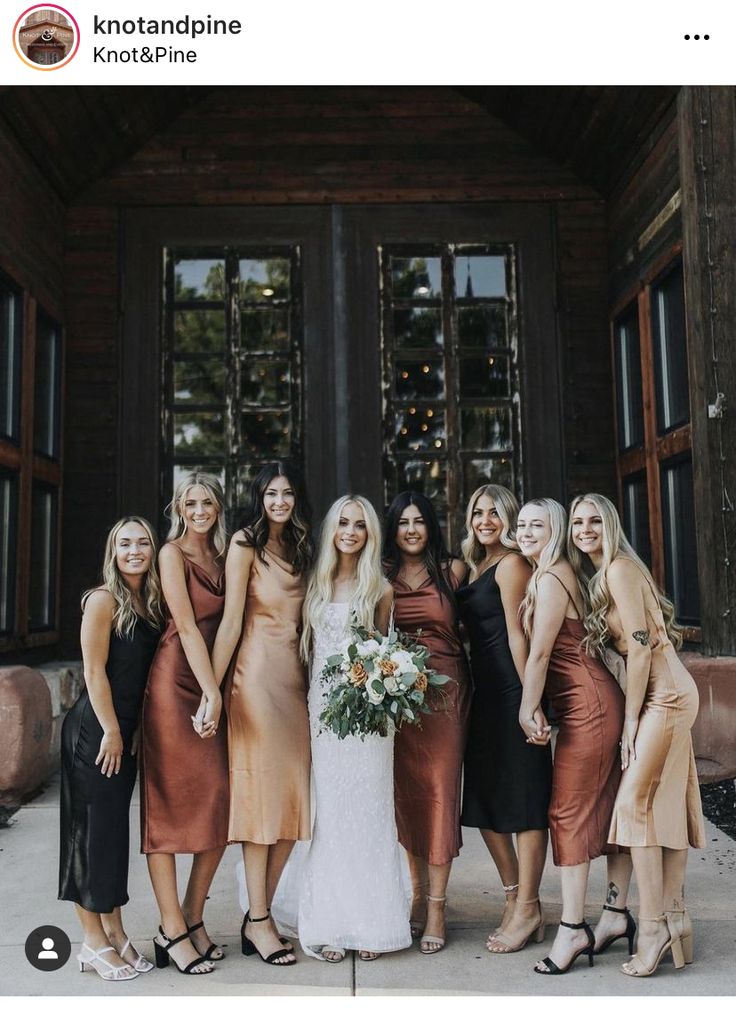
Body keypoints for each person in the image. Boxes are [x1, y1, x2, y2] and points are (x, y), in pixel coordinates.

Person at [568, 493, 705, 977]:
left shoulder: (620, 570)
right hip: (660, 695)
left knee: (632, 807)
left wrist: (629, 724)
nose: (585, 529)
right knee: (660, 808)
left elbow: (642, 650)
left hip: (664, 697)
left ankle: (651, 928)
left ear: (610, 525)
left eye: (594, 521)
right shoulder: (605, 574)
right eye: (578, 522)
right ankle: (674, 916)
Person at [279, 495, 412, 962]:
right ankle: (331, 923)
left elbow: (382, 649)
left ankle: (372, 925)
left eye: (360, 525)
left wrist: (381, 686)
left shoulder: (380, 587)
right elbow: (307, 651)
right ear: (332, 530)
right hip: (324, 712)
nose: (351, 532)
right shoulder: (314, 584)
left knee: (372, 813)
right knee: (330, 815)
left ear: (370, 533)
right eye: (343, 524)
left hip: (369, 716)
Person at [517, 498, 631, 975]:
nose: (525, 532)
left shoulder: (549, 577)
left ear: (555, 529)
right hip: (594, 702)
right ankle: (616, 915)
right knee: (605, 811)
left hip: (589, 707)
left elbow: (541, 654)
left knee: (568, 813)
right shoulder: (559, 569)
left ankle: (571, 930)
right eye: (520, 525)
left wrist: (528, 709)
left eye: (536, 526)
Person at [211, 462, 313, 967]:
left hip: (298, 684)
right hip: (254, 681)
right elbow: (230, 621)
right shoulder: (243, 544)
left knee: (295, 808)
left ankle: (260, 916)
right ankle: (257, 917)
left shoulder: (301, 545)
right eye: (271, 492)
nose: (279, 500)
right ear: (258, 496)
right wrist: (212, 689)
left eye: (287, 492)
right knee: (262, 806)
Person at [59, 516, 163, 981]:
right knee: (88, 835)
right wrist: (113, 730)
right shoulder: (103, 600)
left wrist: (134, 725)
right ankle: (91, 942)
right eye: (126, 543)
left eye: (143, 542)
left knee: (111, 837)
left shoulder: (148, 603)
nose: (135, 550)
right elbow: (94, 672)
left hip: (122, 731)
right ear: (113, 551)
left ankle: (116, 932)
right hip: (95, 732)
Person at [456, 485, 553, 954]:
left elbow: (519, 637)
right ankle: (516, 897)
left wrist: (528, 703)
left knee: (524, 801)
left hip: (512, 691)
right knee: (485, 801)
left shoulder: (512, 563)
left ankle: (529, 905)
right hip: (485, 694)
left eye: (495, 512)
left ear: (509, 518)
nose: (486, 519)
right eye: (478, 511)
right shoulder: (474, 565)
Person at [140, 472, 229, 975]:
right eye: (191, 502)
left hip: (212, 682)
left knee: (218, 800)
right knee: (169, 808)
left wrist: (218, 689)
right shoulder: (171, 554)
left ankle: (193, 917)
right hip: (176, 685)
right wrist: (209, 692)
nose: (199, 510)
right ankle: (170, 928)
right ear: (179, 506)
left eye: (208, 502)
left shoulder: (223, 556)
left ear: (218, 507)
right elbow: (188, 625)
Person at [383, 491, 471, 954]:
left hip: (445, 692)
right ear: (392, 529)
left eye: (419, 521)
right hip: (395, 694)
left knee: (438, 793)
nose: (412, 529)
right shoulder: (380, 575)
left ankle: (437, 905)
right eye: (403, 522)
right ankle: (417, 895)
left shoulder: (452, 570)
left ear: (430, 526)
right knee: (408, 796)